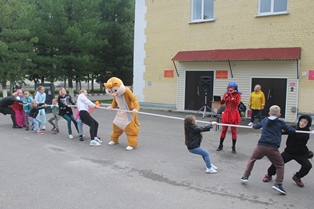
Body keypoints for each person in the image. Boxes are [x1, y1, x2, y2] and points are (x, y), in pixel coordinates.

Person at [240, 105, 296, 195]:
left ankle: (245, 176)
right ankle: (278, 183)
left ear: (269, 113)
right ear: (279, 115)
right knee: (280, 165)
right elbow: (291, 131)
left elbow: (256, 126)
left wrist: (253, 126)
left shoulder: (265, 120)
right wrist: (292, 129)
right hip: (273, 148)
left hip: (261, 146)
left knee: (252, 159)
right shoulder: (281, 123)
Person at [263, 115, 312, 188]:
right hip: (288, 152)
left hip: (299, 154)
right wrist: (275, 128)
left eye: (305, 122)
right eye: (301, 121)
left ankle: (297, 177)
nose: (302, 123)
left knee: (308, 166)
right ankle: (269, 174)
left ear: (308, 124)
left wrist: (291, 131)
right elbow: (281, 131)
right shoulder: (293, 128)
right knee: (277, 162)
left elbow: (299, 138)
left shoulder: (306, 132)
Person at [216, 82, 241, 154]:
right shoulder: (226, 94)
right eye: (229, 88)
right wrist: (225, 97)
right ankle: (220, 145)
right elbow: (221, 103)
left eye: (232, 88)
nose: (230, 89)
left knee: (233, 131)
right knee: (224, 130)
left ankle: (233, 147)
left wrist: (231, 96)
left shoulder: (238, 95)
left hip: (234, 113)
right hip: (226, 113)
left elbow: (237, 103)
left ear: (235, 88)